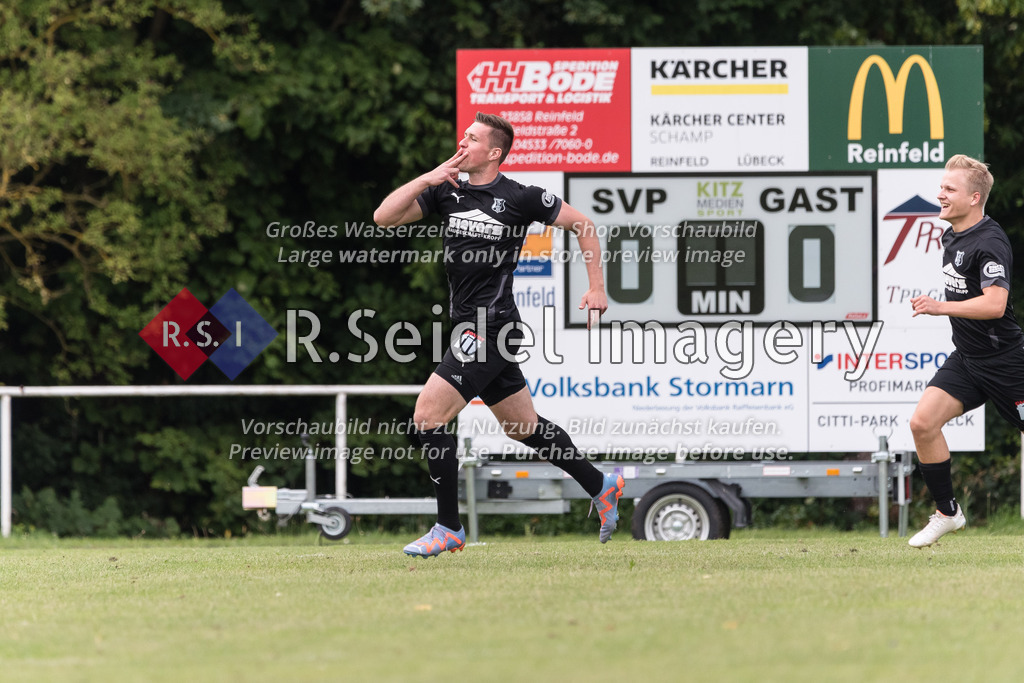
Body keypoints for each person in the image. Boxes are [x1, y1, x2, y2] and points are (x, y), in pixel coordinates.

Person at [373, 112, 623, 558]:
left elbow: (584, 226)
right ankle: (600, 484)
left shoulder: (521, 197)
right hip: (472, 326)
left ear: (494, 153)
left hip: (491, 328)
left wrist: (597, 288)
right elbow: (383, 218)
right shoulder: (447, 191)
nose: (462, 144)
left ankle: (448, 528)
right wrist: (427, 178)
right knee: (521, 427)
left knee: (428, 417)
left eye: (472, 139)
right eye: (463, 137)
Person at [907, 154, 1024, 548]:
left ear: (974, 198)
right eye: (941, 187)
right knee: (923, 423)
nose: (940, 194)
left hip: (1008, 363)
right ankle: (947, 512)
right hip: (968, 360)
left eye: (949, 189)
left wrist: (940, 307)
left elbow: (994, 304)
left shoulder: (990, 241)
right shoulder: (952, 234)